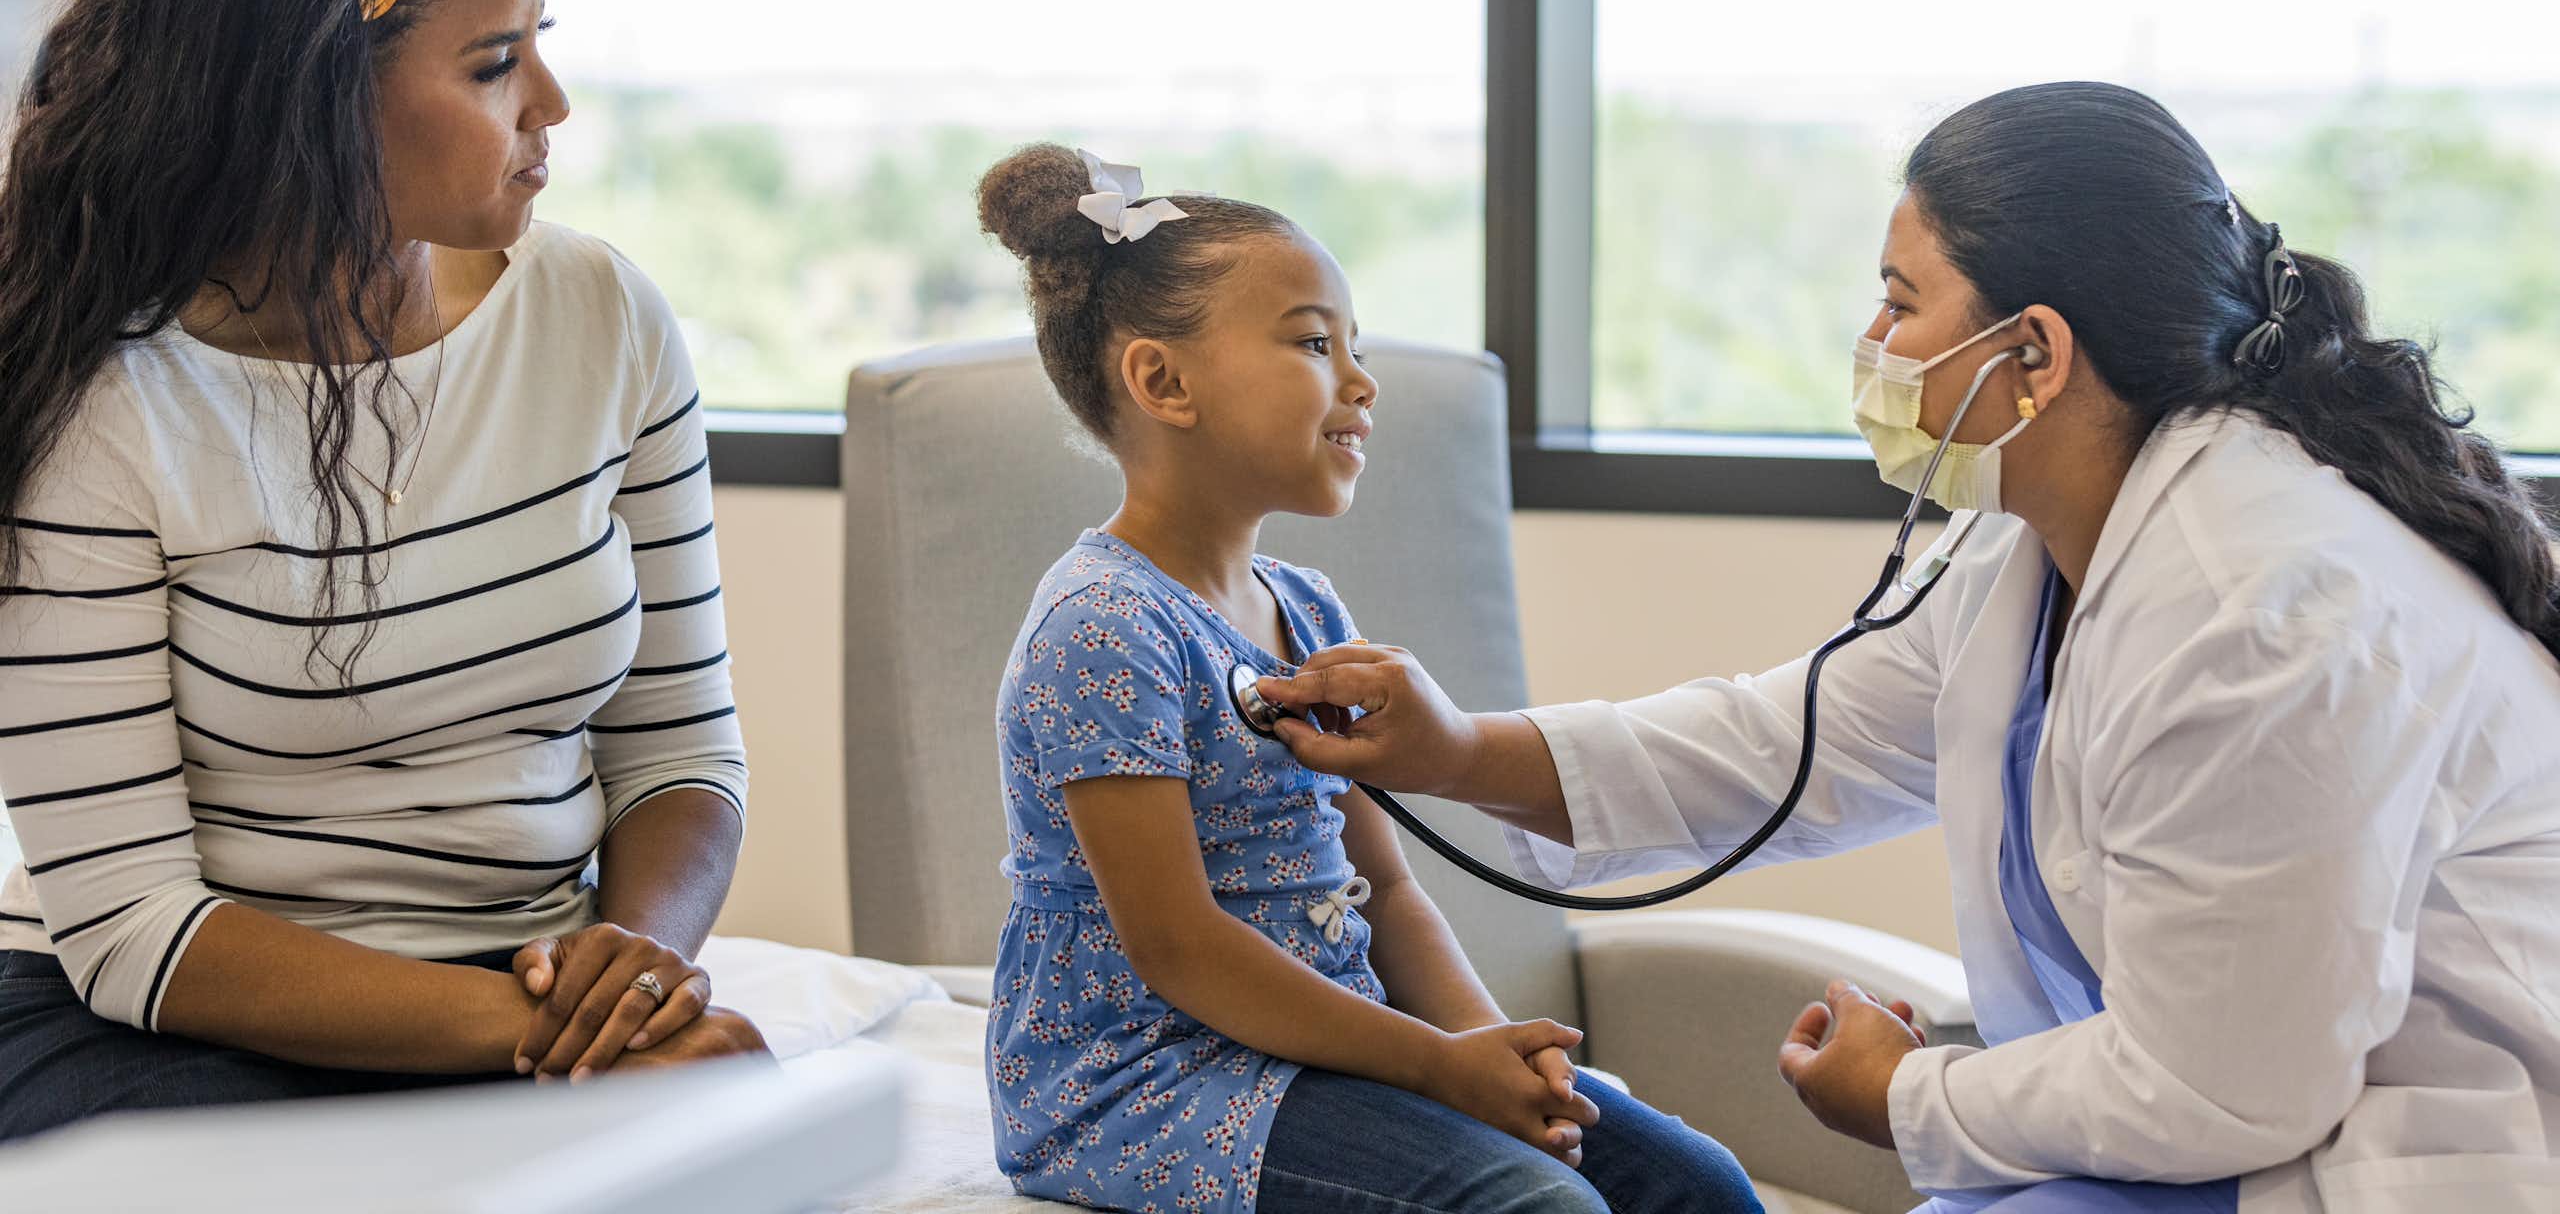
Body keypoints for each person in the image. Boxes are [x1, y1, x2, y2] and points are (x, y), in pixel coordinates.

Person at [1255, 83, 2560, 1213]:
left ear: (2033, 354)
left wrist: (1909, 1094)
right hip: (2212, 1146)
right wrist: (1456, 750)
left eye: (1900, 303)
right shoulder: (2043, 544)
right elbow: (1788, 745)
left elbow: (2231, 1084)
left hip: (2388, 1162)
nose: (1873, 349)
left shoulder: (2259, 608)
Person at [0, 0, 764, 1140]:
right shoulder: (104, 400)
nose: (553, 104)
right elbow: (131, 931)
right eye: (490, 67)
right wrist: (552, 1043)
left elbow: (678, 752)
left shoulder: (601, 316)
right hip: (156, 1022)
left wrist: (635, 980)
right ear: (305, 96)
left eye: (540, 48)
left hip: (510, 989)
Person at [973, 143, 1765, 1214]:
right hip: (1146, 1081)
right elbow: (1179, 948)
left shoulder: (1308, 611)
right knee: (1543, 1210)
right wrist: (1439, 1070)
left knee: (1695, 1186)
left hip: (1324, 1049)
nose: (1361, 381)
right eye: (1313, 343)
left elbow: (1383, 888)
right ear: (1163, 381)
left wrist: (1498, 1059)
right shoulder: (1099, 627)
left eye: (1354, 345)